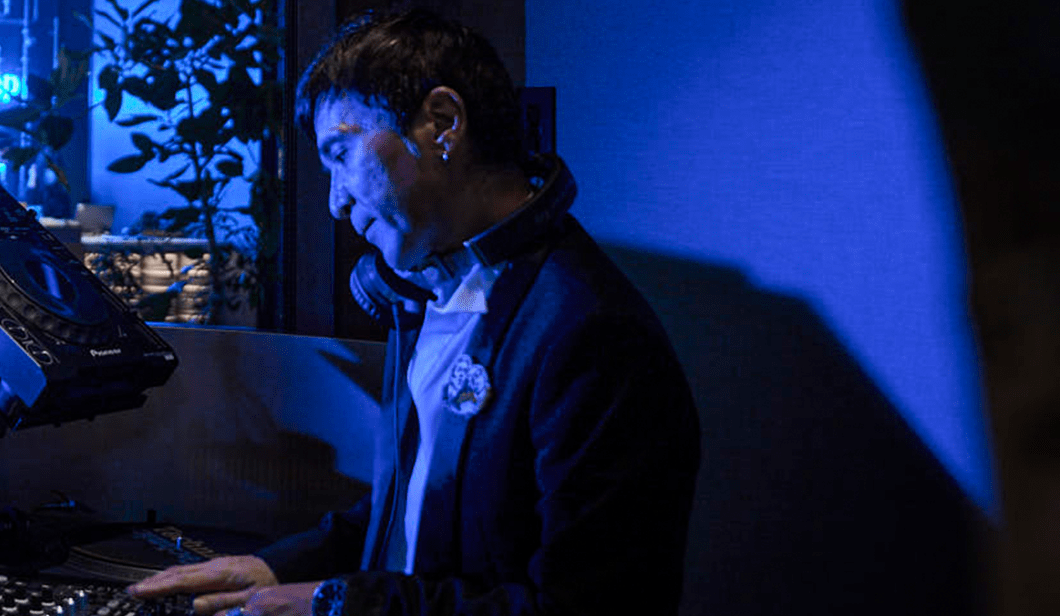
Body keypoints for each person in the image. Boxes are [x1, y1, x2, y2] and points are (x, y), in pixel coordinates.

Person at [128, 9, 699, 616]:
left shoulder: (591, 335)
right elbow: (422, 505)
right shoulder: (445, 288)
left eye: (341, 153)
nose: (335, 202)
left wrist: (339, 605)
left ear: (443, 124)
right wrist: (281, 567)